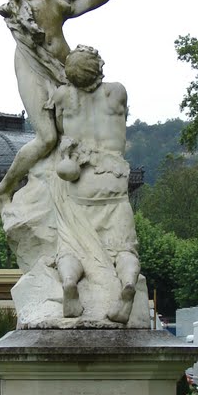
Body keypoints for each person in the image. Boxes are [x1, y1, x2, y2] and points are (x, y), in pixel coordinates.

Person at [0, 0, 114, 203]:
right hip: (32, 61)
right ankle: (4, 189)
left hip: (64, 67)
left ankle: (67, 186)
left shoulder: (66, 4)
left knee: (74, 129)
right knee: (47, 137)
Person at [51, 46, 140, 324]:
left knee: (71, 247)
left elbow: (57, 129)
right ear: (98, 66)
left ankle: (69, 281)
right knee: (124, 249)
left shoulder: (64, 96)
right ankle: (127, 284)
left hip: (80, 183)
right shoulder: (117, 93)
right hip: (114, 180)